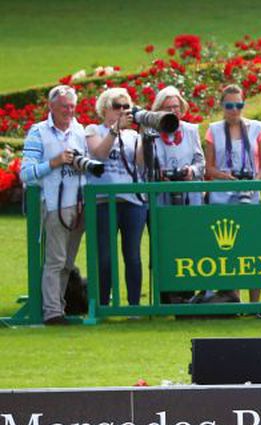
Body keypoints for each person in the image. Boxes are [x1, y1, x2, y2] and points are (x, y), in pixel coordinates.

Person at [19, 85, 89, 325]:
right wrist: (54, 162)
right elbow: (26, 173)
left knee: (67, 262)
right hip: (53, 204)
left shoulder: (79, 130)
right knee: (56, 260)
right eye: (63, 107)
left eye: (72, 106)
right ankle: (52, 312)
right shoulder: (38, 132)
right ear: (51, 107)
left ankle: (58, 306)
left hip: (78, 203)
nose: (69, 111)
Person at [202, 84, 261, 303]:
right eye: (229, 106)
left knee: (253, 248)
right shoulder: (213, 130)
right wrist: (226, 177)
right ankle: (232, 299)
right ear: (222, 106)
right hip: (222, 197)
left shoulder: (257, 128)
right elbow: (208, 167)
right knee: (227, 248)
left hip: (250, 195)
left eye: (238, 105)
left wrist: (255, 182)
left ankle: (255, 305)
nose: (234, 110)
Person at [85, 87, 146, 307]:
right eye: (117, 106)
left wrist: (146, 134)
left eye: (126, 107)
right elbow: (99, 154)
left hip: (133, 202)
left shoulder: (133, 135)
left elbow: (141, 163)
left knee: (133, 256)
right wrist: (114, 130)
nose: (122, 110)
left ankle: (134, 306)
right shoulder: (93, 130)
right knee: (104, 257)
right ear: (105, 109)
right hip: (103, 201)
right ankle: (103, 305)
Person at [146, 86, 205, 305]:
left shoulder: (190, 130)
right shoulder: (151, 134)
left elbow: (201, 162)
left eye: (176, 107)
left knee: (189, 243)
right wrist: (158, 174)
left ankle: (188, 293)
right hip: (162, 197)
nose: (173, 111)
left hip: (189, 197)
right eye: (168, 108)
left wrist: (191, 171)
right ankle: (165, 294)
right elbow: (144, 166)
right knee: (164, 244)